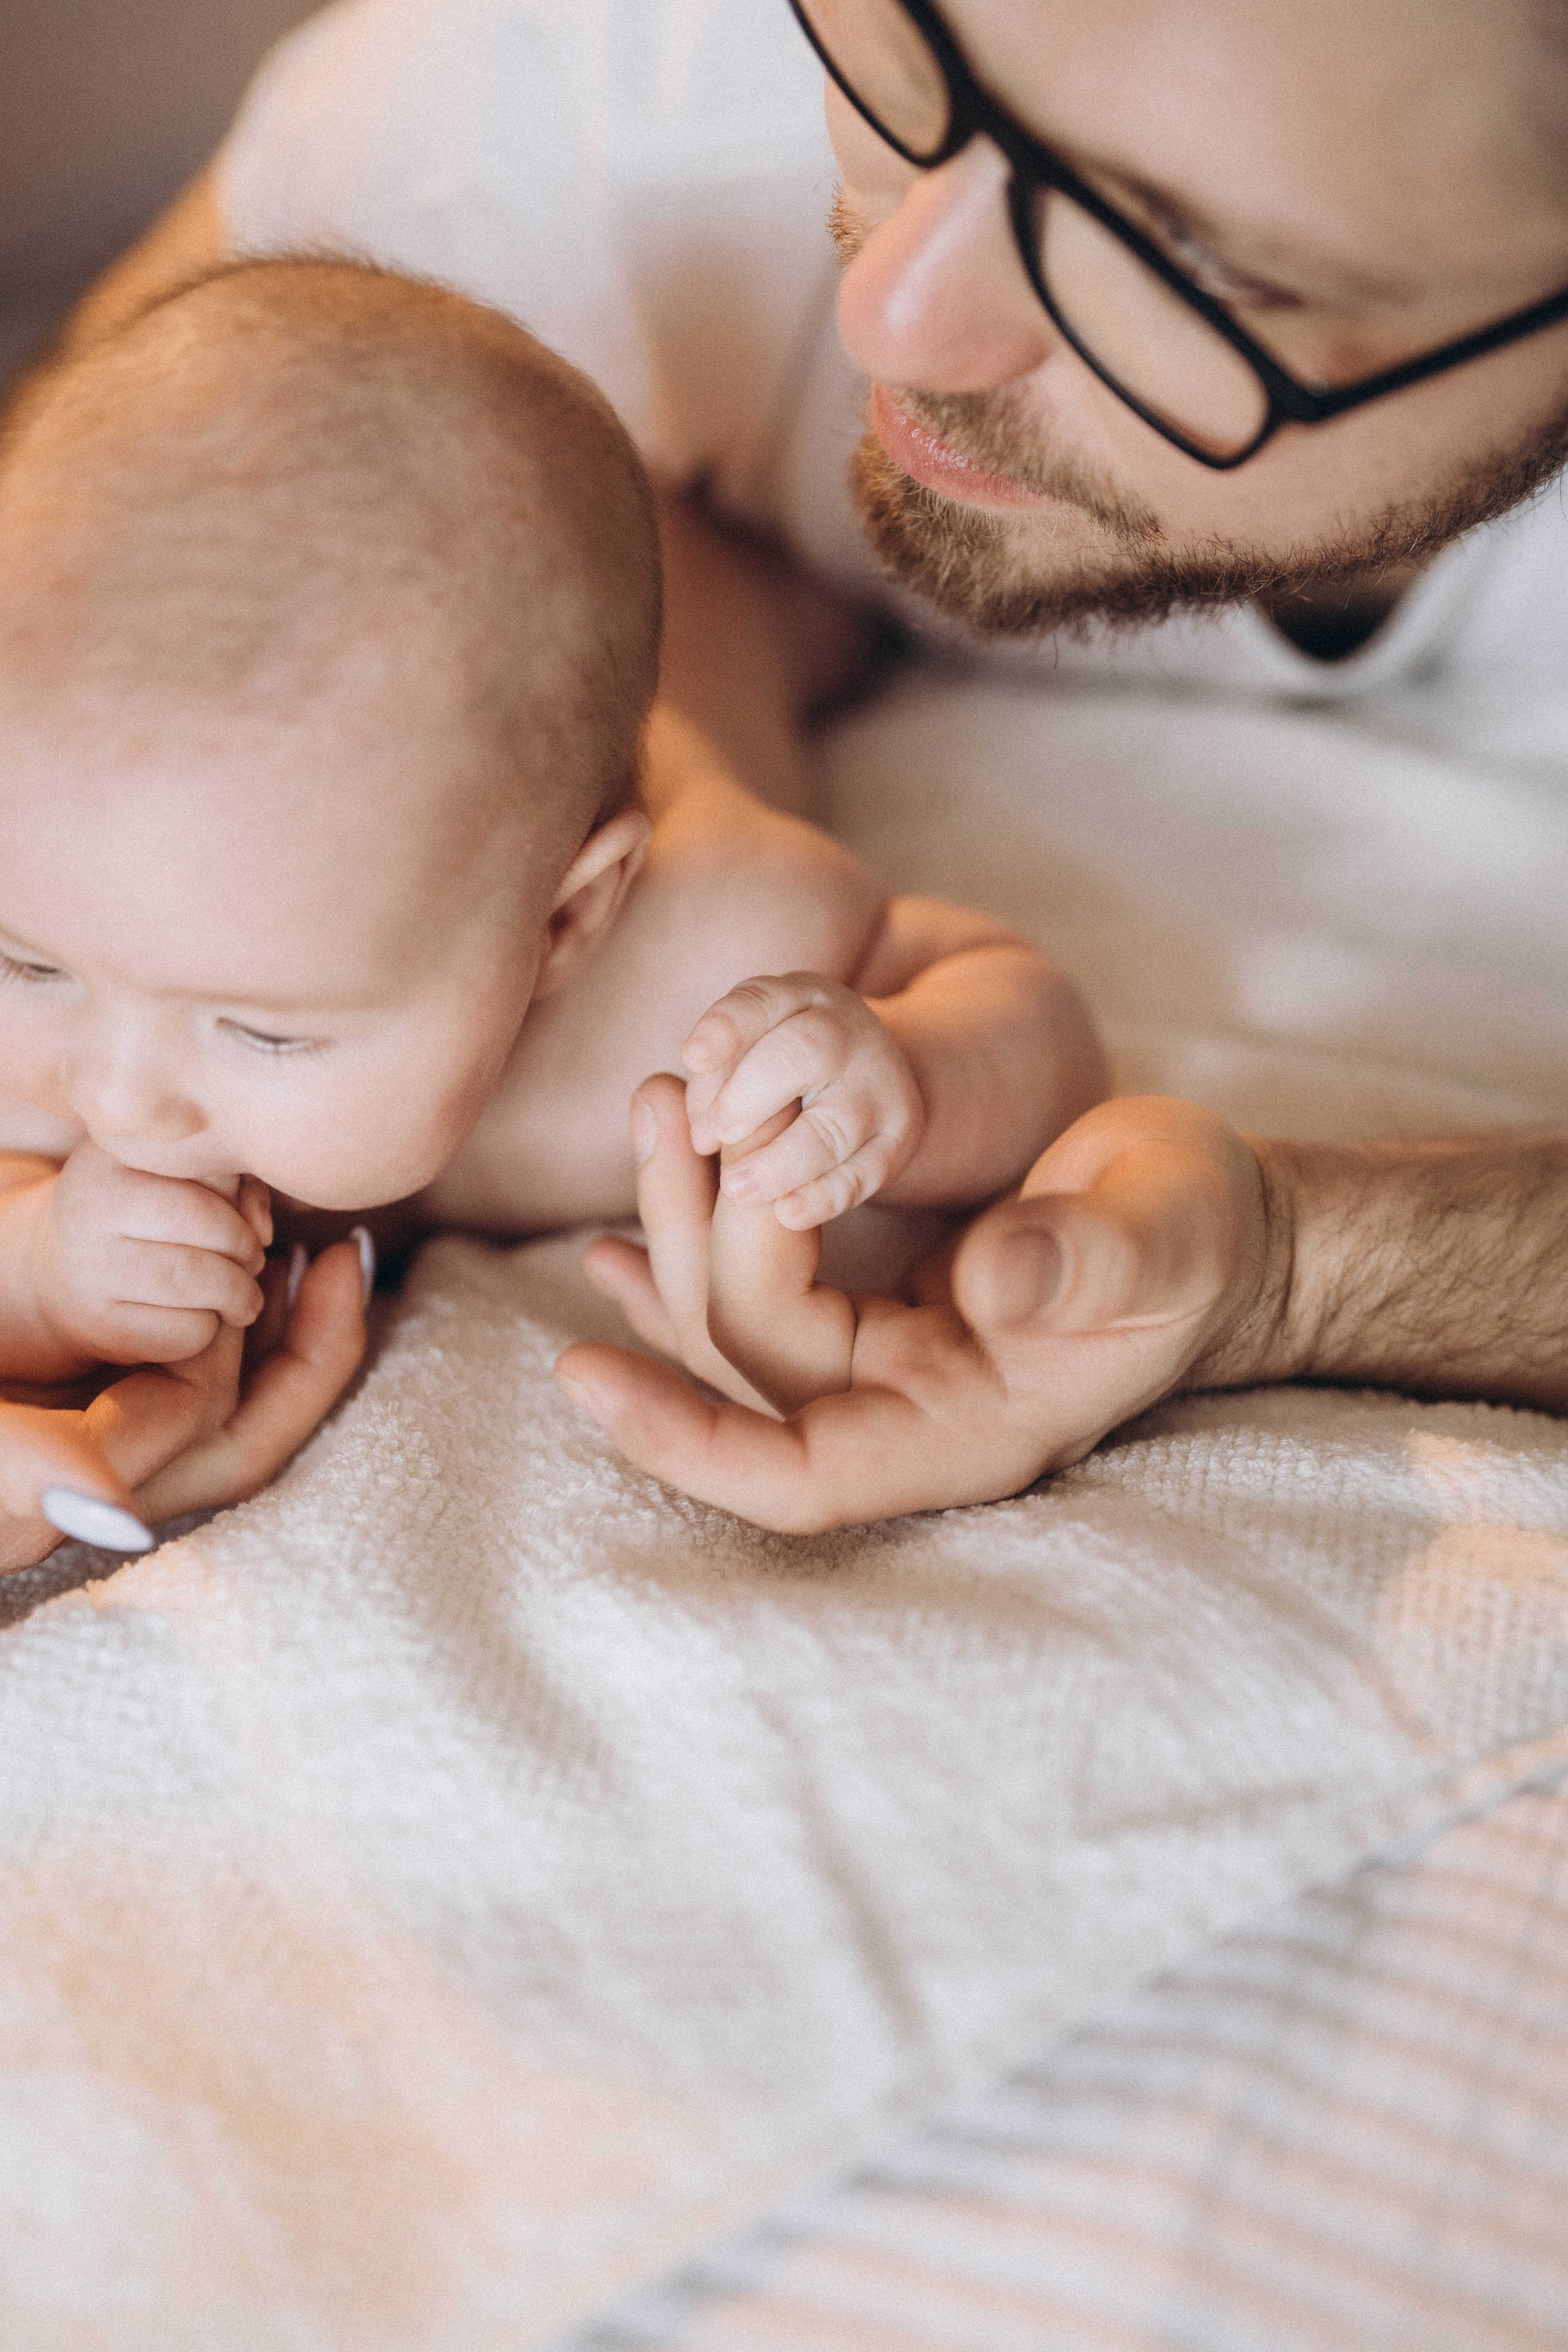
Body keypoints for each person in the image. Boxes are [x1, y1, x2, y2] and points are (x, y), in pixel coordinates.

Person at [58, 0, 1568, 1531]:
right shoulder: (542, 115)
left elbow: (979, 1000)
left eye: (1191, 266)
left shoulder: (713, 954)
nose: (893, 321)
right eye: (908, 75)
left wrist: (1289, 1266)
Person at [0, 257, 1104, 1475]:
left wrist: (910, 1078)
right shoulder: (73, 883)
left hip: (717, 585)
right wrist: (42, 1270)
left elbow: (1029, 1011)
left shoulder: (705, 960)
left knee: (821, 597)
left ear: (566, 921)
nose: (116, 1100)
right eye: (28, 966)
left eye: (265, 1033)